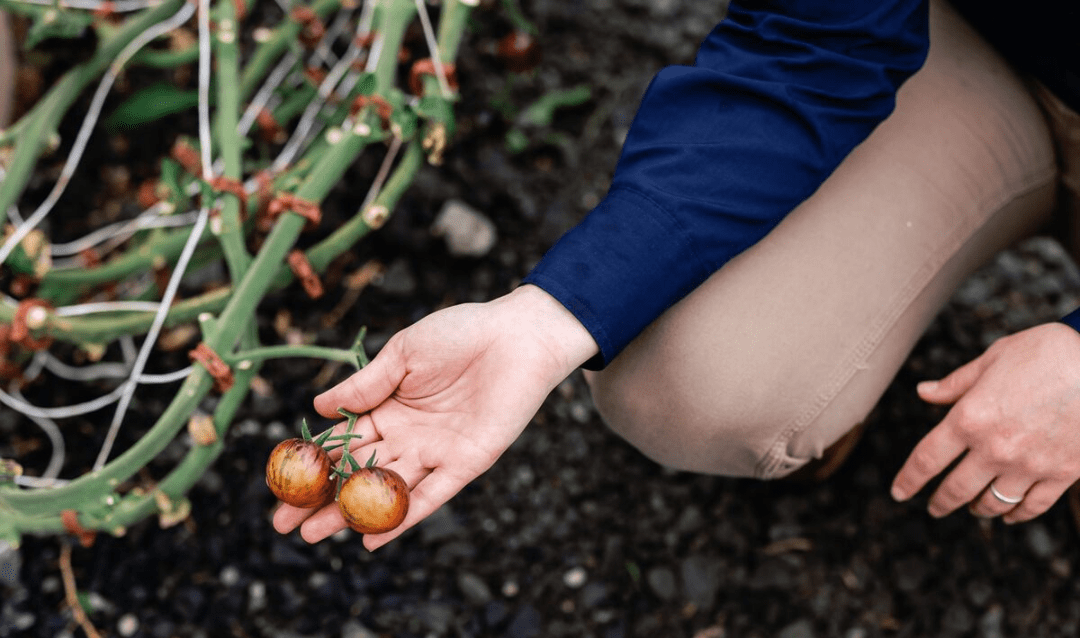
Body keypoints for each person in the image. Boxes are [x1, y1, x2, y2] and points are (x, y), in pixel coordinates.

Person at [296, 1, 1067, 549]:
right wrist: (556, 311)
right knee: (686, 376)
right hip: (988, 50)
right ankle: (848, 376)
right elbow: (811, 48)